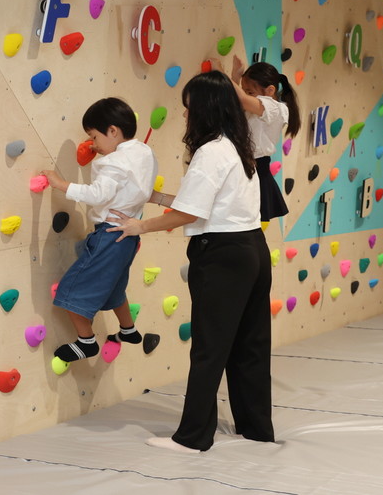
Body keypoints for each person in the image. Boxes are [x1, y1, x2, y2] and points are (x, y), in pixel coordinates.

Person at [108, 71, 273, 453]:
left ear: (204, 109)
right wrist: (156, 197)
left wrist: (140, 226)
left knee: (209, 347)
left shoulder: (210, 151)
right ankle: (255, 427)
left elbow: (190, 214)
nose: (185, 116)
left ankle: (194, 437)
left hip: (223, 256)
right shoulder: (237, 145)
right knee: (250, 344)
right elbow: (203, 204)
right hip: (252, 250)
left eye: (188, 108)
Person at [41, 97, 159, 365]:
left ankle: (86, 342)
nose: (93, 144)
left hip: (109, 234)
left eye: (94, 136)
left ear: (113, 130)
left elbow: (98, 194)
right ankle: (128, 329)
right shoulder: (145, 153)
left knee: (70, 291)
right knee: (114, 287)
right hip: (128, 236)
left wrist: (61, 184)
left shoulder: (112, 162)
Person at [228, 56, 301, 221]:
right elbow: (234, 101)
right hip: (243, 166)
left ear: (270, 90)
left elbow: (241, 99)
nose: (247, 95)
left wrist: (220, 73)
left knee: (245, 226)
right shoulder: (254, 106)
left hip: (256, 169)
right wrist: (235, 77)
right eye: (245, 90)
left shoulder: (276, 108)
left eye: (250, 91)